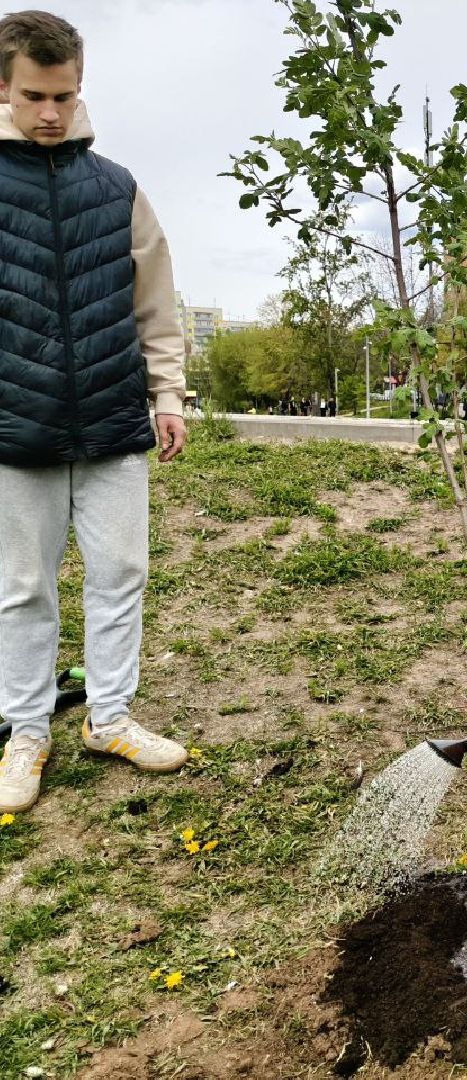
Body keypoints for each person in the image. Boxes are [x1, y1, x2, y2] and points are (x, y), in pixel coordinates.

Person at [0, 11, 189, 815]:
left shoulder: (117, 187)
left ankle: (109, 718)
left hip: (113, 415)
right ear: (2, 87)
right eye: (37, 95)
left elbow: (156, 300)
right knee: (20, 588)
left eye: (67, 95)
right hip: (15, 425)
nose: (53, 111)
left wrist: (168, 391)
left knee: (121, 576)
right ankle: (26, 734)